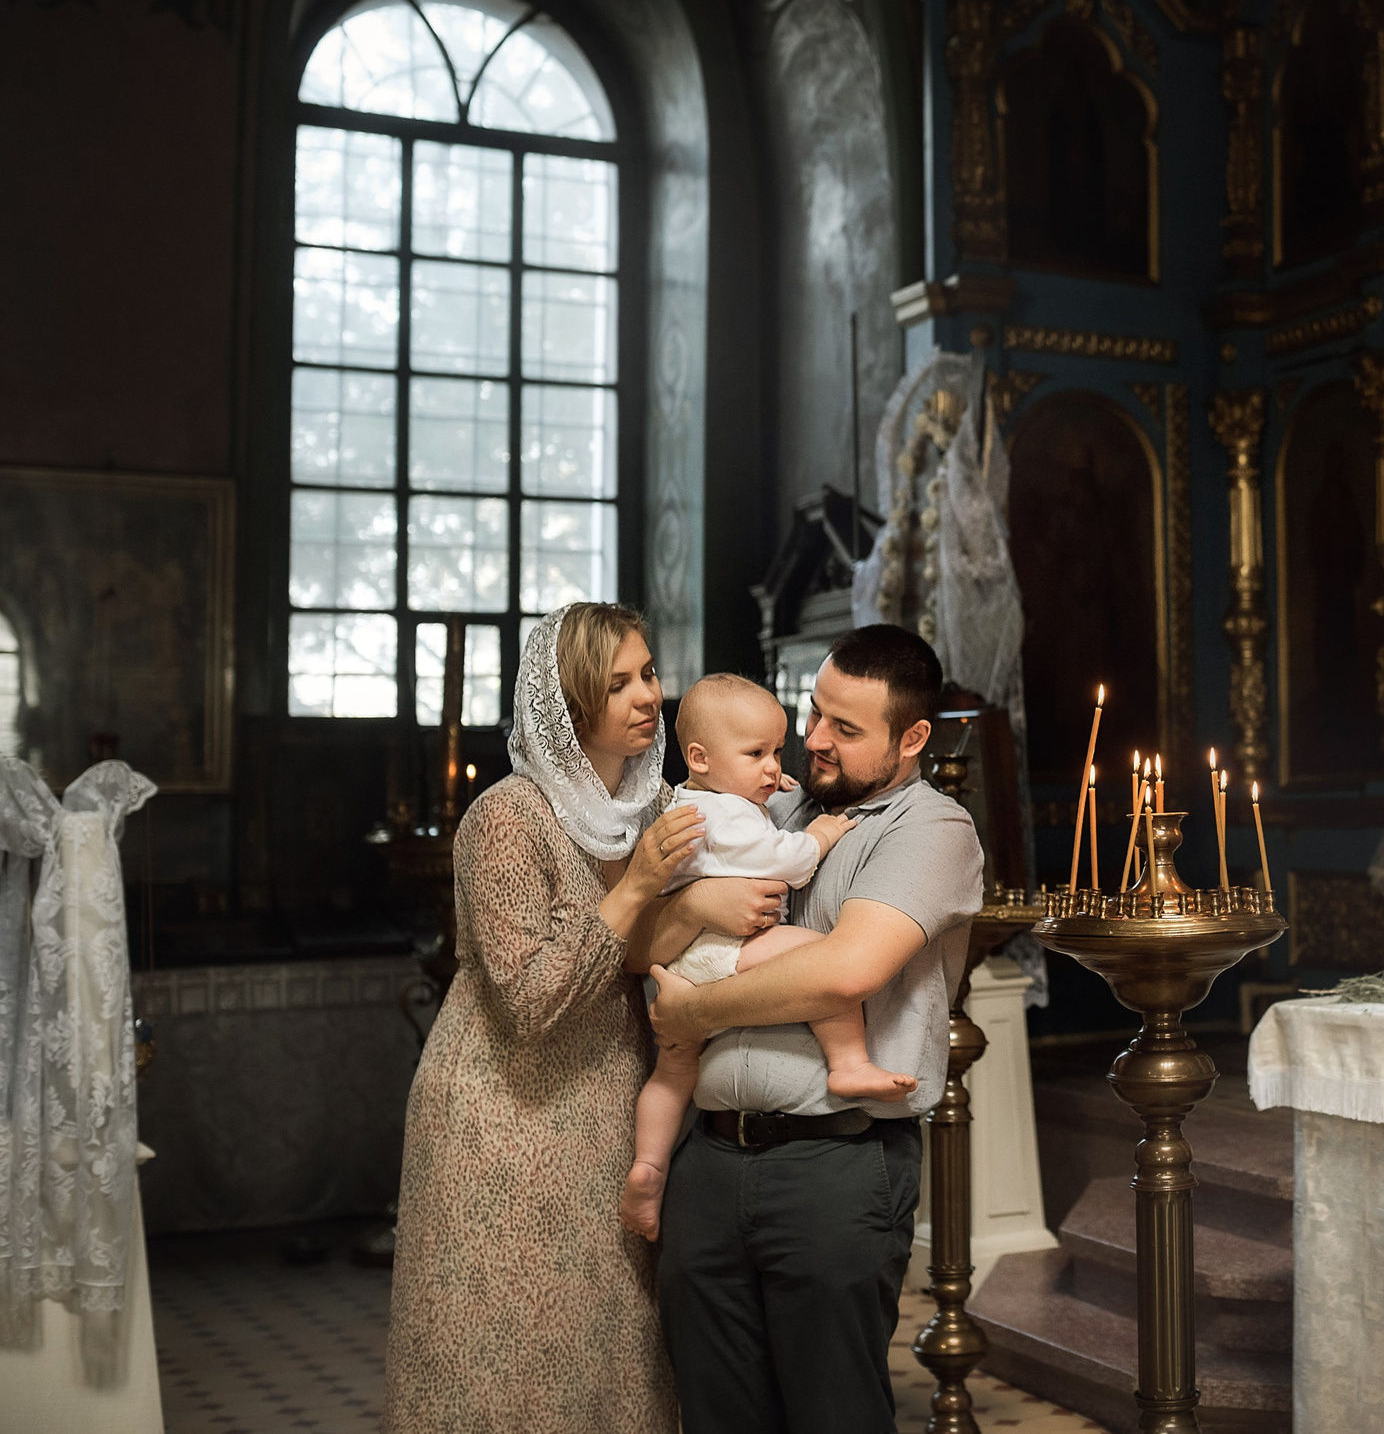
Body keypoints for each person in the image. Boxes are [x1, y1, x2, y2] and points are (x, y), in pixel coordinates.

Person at [385, 603, 793, 1434]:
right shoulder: (507, 816)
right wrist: (642, 884)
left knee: (614, 1354)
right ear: (571, 703)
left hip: (614, 1105)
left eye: (648, 672)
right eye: (618, 683)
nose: (649, 695)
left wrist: (712, 883)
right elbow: (531, 998)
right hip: (507, 1118)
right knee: (507, 1357)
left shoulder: (654, 810)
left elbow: (651, 951)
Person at [646, 623, 985, 1434]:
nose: (813, 740)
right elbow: (638, 950)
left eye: (845, 728)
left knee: (833, 1415)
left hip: (833, 1164)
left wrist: (694, 1010)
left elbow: (844, 973)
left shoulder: (930, 830)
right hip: (709, 1157)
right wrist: (693, 905)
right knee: (719, 1415)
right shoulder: (766, 799)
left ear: (912, 739)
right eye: (814, 711)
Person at [619, 673, 916, 1243]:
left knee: (673, 1070)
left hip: (680, 967)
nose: (773, 768)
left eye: (778, 752)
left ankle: (648, 1170)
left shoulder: (688, 804)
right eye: (756, 753)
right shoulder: (726, 814)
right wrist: (823, 835)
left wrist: (763, 782)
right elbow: (784, 859)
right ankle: (848, 1061)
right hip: (723, 950)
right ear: (700, 757)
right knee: (818, 956)